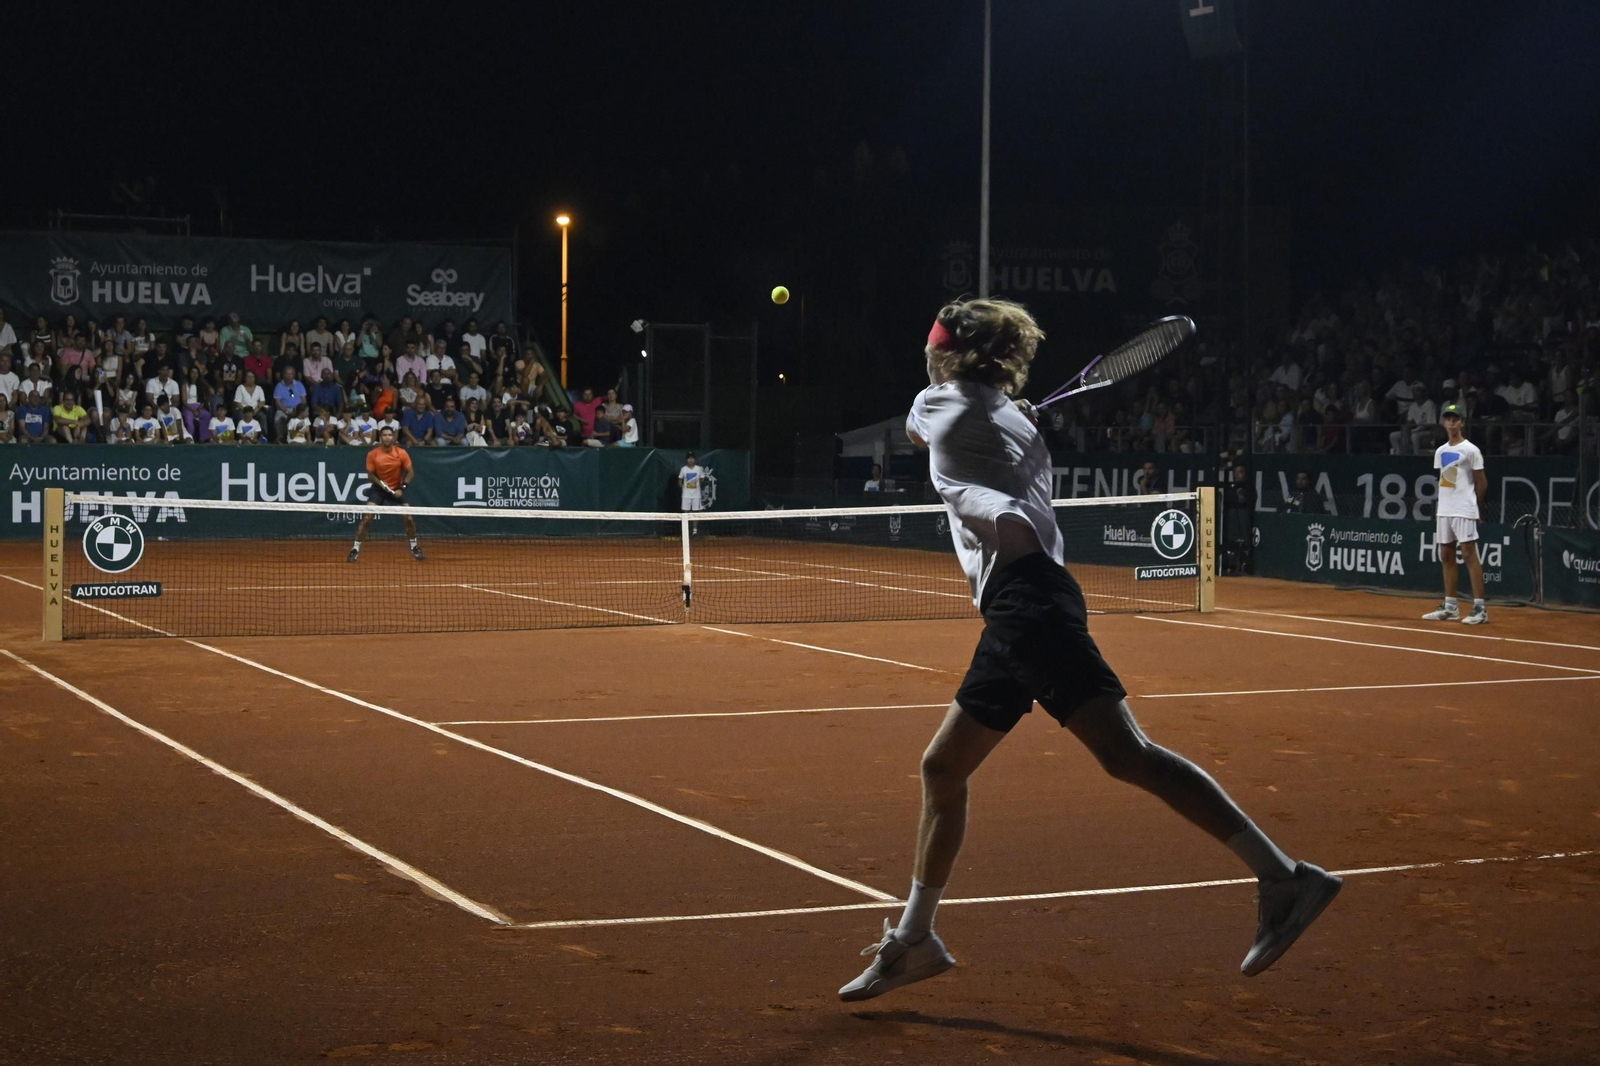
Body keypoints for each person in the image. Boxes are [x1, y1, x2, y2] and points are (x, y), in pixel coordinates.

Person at [837, 298, 1339, 1003]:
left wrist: (988, 407)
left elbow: (923, 438)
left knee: (1126, 754)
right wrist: (1007, 411)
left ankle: (1284, 877)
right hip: (1022, 603)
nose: (927, 354)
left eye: (935, 345)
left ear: (950, 356)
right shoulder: (1020, 423)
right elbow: (992, 446)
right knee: (943, 767)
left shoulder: (936, 404)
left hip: (1029, 606)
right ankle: (916, 939)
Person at [1422, 403, 1489, 625]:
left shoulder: (1471, 450)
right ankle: (1451, 606)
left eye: (1455, 419)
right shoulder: (1441, 451)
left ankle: (1480, 608)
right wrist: (1444, 507)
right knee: (1446, 555)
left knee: (1470, 555)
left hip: (1464, 508)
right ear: (1444, 423)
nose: (1451, 422)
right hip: (1445, 509)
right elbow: (1447, 480)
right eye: (1448, 419)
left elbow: (1481, 482)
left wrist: (1476, 507)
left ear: (1462, 423)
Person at [349, 426, 425, 563]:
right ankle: (355, 549)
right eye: (384, 435)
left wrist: (402, 488)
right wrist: (382, 485)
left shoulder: (401, 453)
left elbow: (411, 473)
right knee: (367, 518)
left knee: (408, 517)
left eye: (390, 435)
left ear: (393, 437)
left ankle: (414, 547)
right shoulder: (373, 454)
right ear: (380, 437)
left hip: (396, 488)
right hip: (379, 489)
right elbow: (371, 475)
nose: (387, 437)